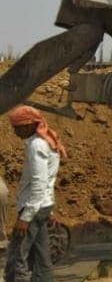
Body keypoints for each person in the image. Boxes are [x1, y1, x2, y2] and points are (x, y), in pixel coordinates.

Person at [4, 105, 66, 282]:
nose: (15, 132)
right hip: (42, 205)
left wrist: (26, 217)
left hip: (33, 207)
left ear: (29, 125)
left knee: (18, 254)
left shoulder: (37, 145)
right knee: (41, 254)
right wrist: (48, 210)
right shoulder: (45, 141)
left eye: (17, 127)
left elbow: (39, 182)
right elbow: (48, 180)